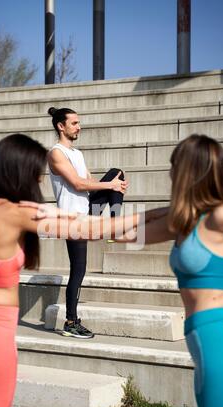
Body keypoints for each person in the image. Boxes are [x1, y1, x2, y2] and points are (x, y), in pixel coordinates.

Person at [0, 133, 141, 407]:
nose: (39, 178)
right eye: (36, 172)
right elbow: (88, 227)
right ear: (19, 172)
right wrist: (149, 227)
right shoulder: (17, 212)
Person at [132, 134, 223, 407]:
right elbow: (127, 231)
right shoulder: (184, 223)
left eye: (174, 166)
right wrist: (54, 225)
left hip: (221, 345)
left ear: (190, 171)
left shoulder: (221, 217)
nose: (170, 174)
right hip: (204, 346)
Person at [47, 106, 129, 339]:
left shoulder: (78, 154)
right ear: (61, 126)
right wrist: (110, 187)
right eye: (74, 123)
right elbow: (78, 185)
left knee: (117, 172)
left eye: (79, 123)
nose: (79, 127)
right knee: (78, 271)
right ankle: (71, 322)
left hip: (86, 209)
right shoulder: (56, 153)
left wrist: (116, 186)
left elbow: (90, 182)